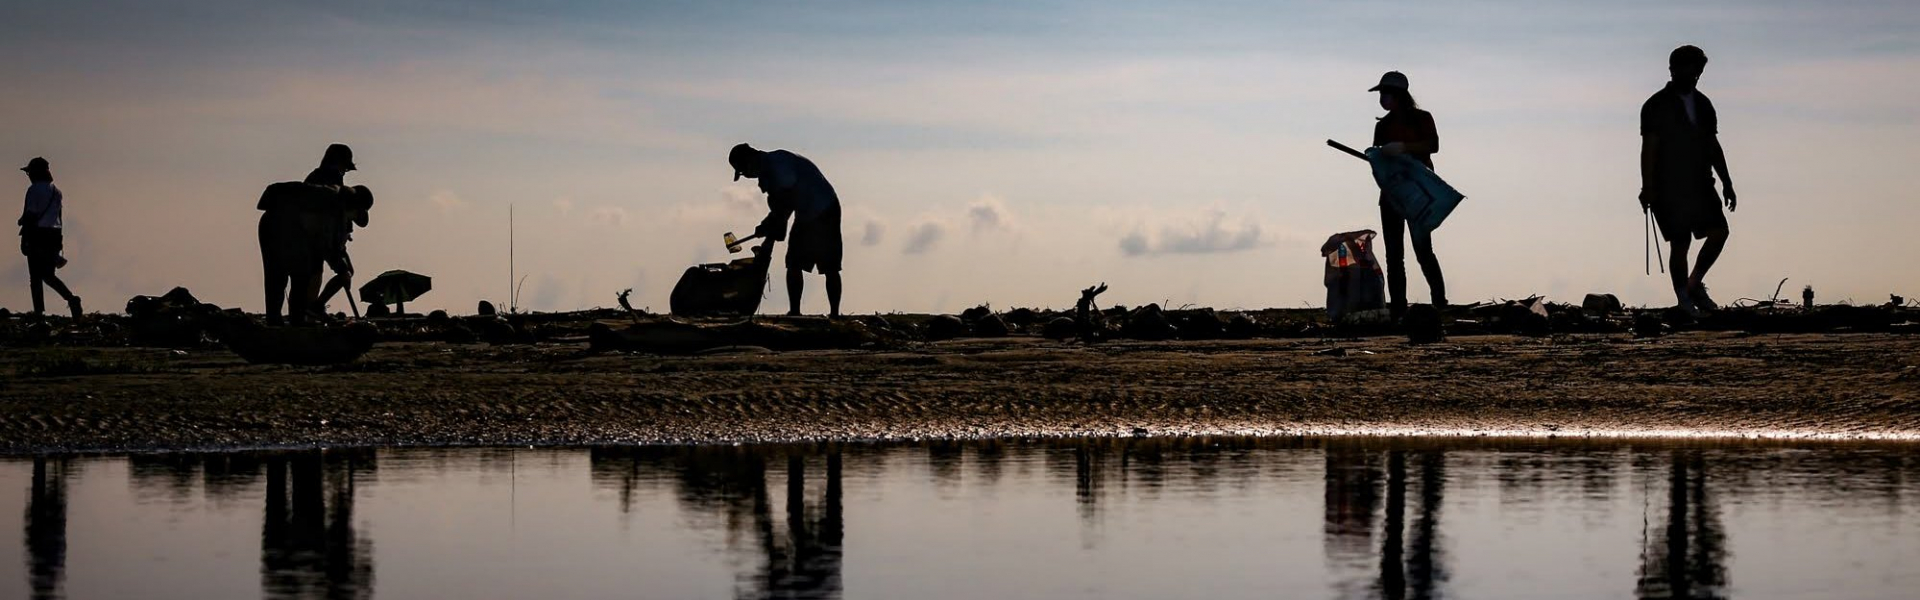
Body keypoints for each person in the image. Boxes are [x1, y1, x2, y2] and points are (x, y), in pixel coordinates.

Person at [1640, 45, 1736, 317]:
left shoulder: (1704, 104)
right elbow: (1649, 148)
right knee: (1680, 243)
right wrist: (1648, 187)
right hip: (1668, 185)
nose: (1696, 75)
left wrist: (1727, 181)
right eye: (1692, 69)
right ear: (1674, 69)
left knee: (1719, 232)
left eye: (1699, 70)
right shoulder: (1655, 105)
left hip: (1701, 182)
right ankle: (1683, 298)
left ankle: (1693, 284)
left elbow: (1712, 144)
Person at [729, 143, 843, 317]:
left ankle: (834, 314)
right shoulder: (769, 172)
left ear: (750, 161)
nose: (747, 176)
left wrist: (774, 225)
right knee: (794, 263)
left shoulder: (779, 164)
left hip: (825, 209)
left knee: (829, 265)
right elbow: (780, 207)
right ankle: (795, 312)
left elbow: (786, 201)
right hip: (805, 213)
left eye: (744, 172)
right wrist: (768, 224)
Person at [1369, 71, 1446, 319]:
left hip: (1419, 196)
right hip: (1391, 195)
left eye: (1386, 93)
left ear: (1399, 96)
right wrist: (1377, 155)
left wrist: (1404, 148)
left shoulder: (1423, 119)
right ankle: (1399, 309)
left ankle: (1439, 303)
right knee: (1394, 255)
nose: (1382, 98)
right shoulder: (1382, 126)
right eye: (1380, 93)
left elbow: (1433, 145)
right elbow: (1378, 164)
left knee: (1423, 250)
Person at [304, 144, 367, 316]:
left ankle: (313, 306)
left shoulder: (316, 175)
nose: (345, 171)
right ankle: (313, 307)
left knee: (321, 271)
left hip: (317, 233)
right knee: (322, 272)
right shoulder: (332, 175)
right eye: (345, 167)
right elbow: (335, 209)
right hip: (321, 235)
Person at [17, 157, 81, 319]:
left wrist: (25, 236)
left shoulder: (33, 190)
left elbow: (31, 214)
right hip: (53, 236)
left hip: (37, 234)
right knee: (48, 275)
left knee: (36, 277)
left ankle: (40, 312)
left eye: (30, 172)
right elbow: (59, 217)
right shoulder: (56, 191)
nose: (29, 175)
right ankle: (72, 299)